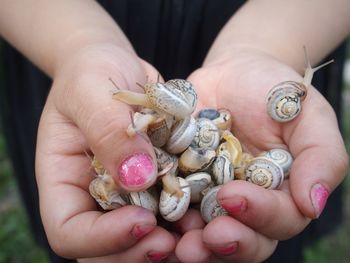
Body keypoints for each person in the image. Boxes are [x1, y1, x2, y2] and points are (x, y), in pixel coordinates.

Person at [0, 0, 349, 262]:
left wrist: (263, 50)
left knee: (253, 236)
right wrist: (77, 47)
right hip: (53, 28)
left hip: (287, 22)